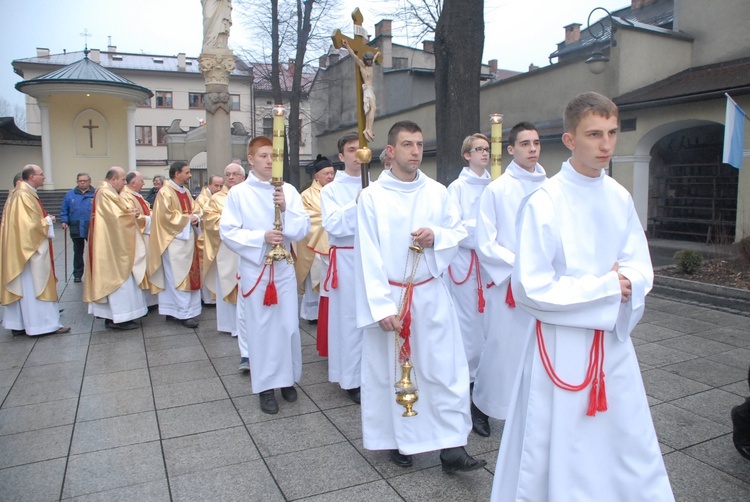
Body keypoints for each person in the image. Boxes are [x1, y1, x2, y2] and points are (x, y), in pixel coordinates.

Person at [490, 92, 673, 501]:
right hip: (560, 347)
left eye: (612, 133)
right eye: (594, 134)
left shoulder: (620, 197)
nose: (606, 145)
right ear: (570, 140)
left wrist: (619, 284)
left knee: (624, 442)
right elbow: (530, 289)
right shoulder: (545, 201)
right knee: (561, 444)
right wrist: (607, 286)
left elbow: (639, 270)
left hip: (611, 345)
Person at [354, 121, 485, 472]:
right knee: (395, 373)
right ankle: (398, 441)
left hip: (430, 294)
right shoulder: (372, 198)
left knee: (445, 371)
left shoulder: (437, 192)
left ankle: (452, 448)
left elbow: (456, 231)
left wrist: (436, 236)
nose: (415, 151)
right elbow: (367, 255)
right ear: (391, 151)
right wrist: (380, 306)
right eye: (407, 144)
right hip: (392, 296)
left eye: (419, 144)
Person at [220, 136, 310, 414]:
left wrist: (285, 208)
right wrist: (262, 237)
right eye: (263, 156)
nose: (270, 161)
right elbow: (229, 232)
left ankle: (287, 380)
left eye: (274, 156)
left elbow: (303, 227)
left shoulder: (289, 190)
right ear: (250, 159)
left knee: (288, 326)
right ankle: (265, 388)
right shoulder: (238, 193)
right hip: (257, 268)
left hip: (282, 268)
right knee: (261, 329)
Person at [471, 122, 547, 437]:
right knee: (501, 348)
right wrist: (521, 266)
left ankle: (532, 409)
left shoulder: (550, 188)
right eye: (525, 143)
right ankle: (482, 406)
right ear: (512, 149)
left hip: (544, 285)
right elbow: (485, 242)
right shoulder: (497, 190)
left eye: (537, 142)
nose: (533, 149)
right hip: (509, 285)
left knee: (539, 352)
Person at [444, 133, 492, 436]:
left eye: (487, 149)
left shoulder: (495, 186)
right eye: (478, 149)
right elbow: (455, 228)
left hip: (490, 269)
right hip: (465, 267)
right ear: (466, 155)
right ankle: (470, 395)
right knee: (469, 332)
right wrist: (483, 234)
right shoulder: (456, 188)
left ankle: (490, 393)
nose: (484, 154)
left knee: (490, 330)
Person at [321, 132, 365, 404]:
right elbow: (334, 224)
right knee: (350, 321)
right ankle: (351, 379)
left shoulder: (379, 184)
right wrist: (357, 201)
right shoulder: (331, 190)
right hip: (347, 258)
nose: (357, 154)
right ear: (341, 156)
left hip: (374, 257)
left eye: (361, 149)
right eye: (351, 150)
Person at [1, 165, 70, 336]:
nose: (44, 177)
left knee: (26, 288)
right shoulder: (24, 195)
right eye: (41, 174)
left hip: (23, 251)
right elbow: (29, 227)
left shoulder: (22, 193)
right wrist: (47, 221)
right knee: (34, 286)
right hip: (29, 252)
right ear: (32, 176)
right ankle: (42, 325)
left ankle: (21, 323)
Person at [84, 167, 148, 330]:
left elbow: (118, 213)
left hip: (111, 241)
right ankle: (118, 318)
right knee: (118, 279)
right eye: (123, 180)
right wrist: (131, 214)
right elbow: (116, 217)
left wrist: (128, 211)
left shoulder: (108, 192)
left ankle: (117, 317)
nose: (125, 183)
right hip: (112, 245)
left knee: (122, 279)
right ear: (113, 180)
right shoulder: (106, 192)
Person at [202, 163, 246, 370]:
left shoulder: (248, 194)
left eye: (235, 174)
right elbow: (210, 220)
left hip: (247, 247)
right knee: (229, 281)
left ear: (243, 175)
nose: (231, 177)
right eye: (228, 174)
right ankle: (230, 325)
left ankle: (247, 325)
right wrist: (233, 224)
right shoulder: (217, 198)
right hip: (227, 249)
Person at [148, 161, 202, 328]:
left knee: (183, 275)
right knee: (177, 277)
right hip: (173, 242)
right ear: (177, 173)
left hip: (187, 240)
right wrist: (188, 219)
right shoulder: (165, 192)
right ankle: (183, 313)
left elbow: (196, 209)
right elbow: (165, 217)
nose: (190, 175)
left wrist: (196, 217)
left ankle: (173, 310)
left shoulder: (184, 191)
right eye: (187, 172)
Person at [294, 155, 335, 323]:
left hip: (334, 243)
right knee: (316, 277)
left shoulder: (337, 191)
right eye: (326, 173)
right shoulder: (306, 195)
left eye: (332, 173)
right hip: (316, 244)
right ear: (316, 176)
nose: (330, 177)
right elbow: (308, 219)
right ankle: (313, 314)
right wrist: (331, 220)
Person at [121, 171, 158, 309]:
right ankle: (143, 300)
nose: (143, 183)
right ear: (133, 182)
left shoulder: (138, 196)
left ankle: (150, 300)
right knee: (141, 266)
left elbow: (147, 210)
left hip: (147, 236)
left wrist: (154, 215)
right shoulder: (126, 197)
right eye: (141, 181)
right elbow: (133, 218)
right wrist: (151, 219)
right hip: (139, 237)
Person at [342, 39, 380, 142]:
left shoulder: (371, 65)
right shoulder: (362, 66)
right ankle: (368, 129)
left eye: (370, 60)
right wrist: (348, 46)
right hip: (367, 89)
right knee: (372, 108)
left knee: (369, 110)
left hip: (371, 89)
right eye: (368, 60)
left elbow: (375, 57)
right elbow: (354, 56)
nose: (369, 62)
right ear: (365, 60)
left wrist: (377, 53)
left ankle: (367, 129)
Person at [194, 175, 224, 306]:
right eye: (215, 185)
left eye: (220, 186)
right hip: (205, 237)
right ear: (209, 185)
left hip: (217, 236)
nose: (218, 188)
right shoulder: (202, 199)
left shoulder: (222, 197)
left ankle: (216, 296)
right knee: (206, 265)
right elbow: (202, 218)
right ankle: (207, 297)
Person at [60, 172, 94, 282]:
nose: (82, 182)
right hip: (76, 225)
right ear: (77, 182)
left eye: (85, 180)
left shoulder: (96, 194)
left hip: (91, 225)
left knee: (94, 250)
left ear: (89, 181)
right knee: (78, 251)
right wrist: (64, 221)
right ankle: (77, 274)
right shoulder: (70, 195)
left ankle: (95, 272)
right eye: (80, 181)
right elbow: (64, 209)